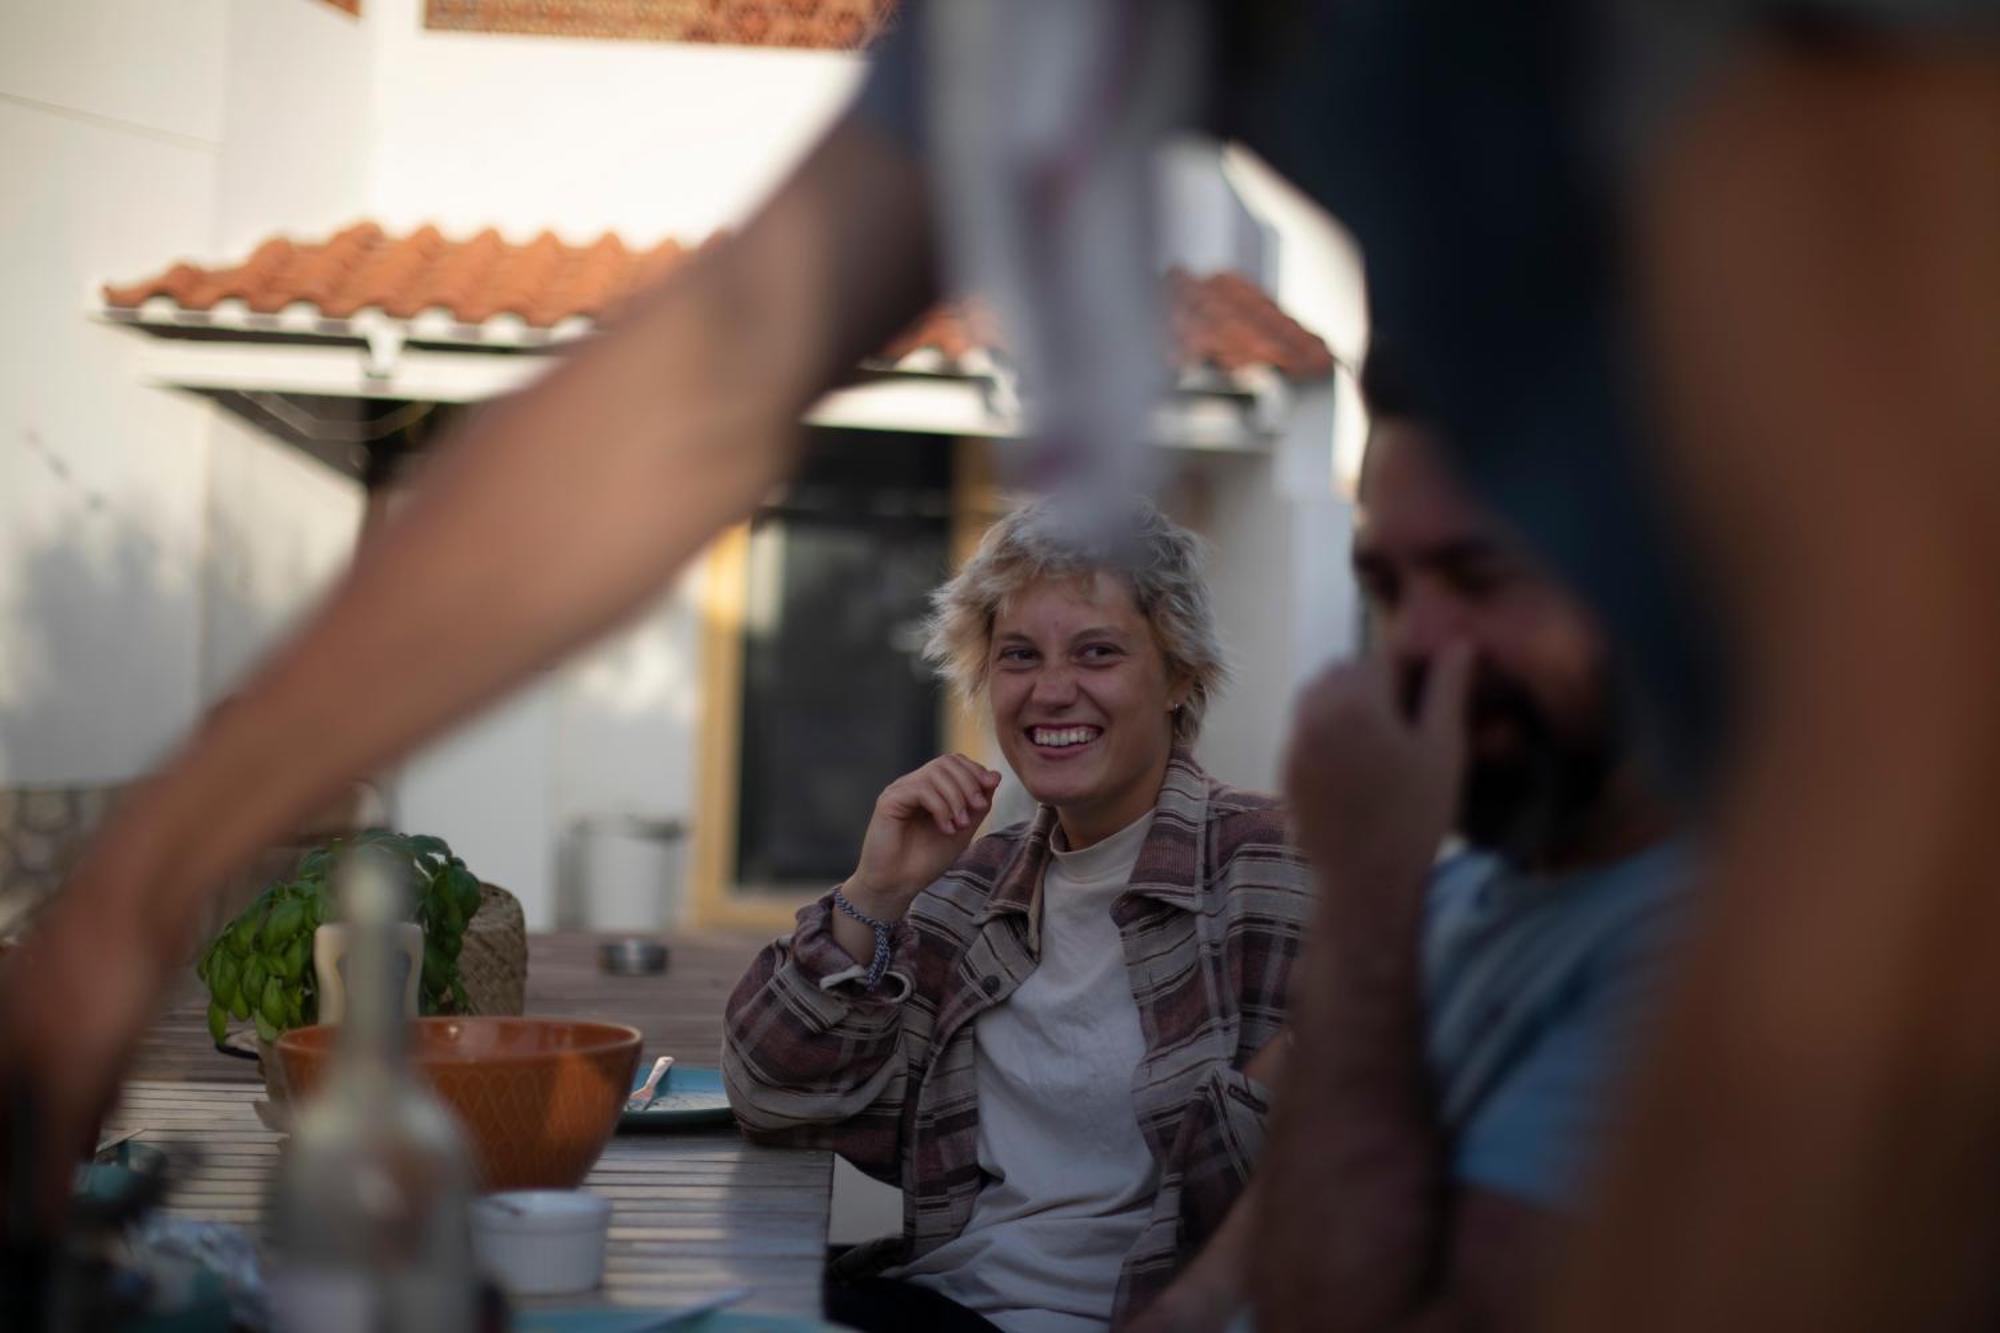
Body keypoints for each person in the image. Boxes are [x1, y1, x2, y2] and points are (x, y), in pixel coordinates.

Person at [722, 499, 1313, 1333]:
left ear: (1180, 674)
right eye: (1019, 656)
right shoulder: (969, 893)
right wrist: (876, 891)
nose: (1052, 691)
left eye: (1097, 652)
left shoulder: (1283, 872)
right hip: (942, 1304)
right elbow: (771, 1100)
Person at [1248, 349, 1687, 1332]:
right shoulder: (1457, 893)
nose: (1413, 641)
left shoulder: (1706, 941)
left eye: (1480, 576)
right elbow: (1242, 1263)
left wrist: (1362, 892)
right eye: (1387, 589)